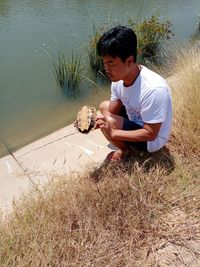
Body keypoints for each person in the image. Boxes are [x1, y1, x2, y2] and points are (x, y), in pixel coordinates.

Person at [96, 25, 172, 162]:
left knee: (110, 121)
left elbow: (151, 134)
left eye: (111, 63)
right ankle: (126, 147)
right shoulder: (118, 81)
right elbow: (111, 111)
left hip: (152, 141)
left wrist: (113, 132)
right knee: (103, 108)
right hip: (137, 122)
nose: (106, 69)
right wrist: (92, 121)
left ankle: (127, 152)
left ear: (130, 61)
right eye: (104, 62)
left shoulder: (153, 89)